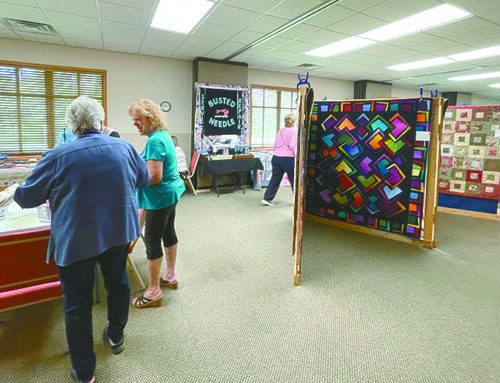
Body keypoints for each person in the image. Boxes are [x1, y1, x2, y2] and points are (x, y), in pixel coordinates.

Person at [14, 96, 149, 383]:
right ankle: (115, 335)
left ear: (71, 126)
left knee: (77, 305)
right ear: (101, 121)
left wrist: (16, 188)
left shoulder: (57, 155)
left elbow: (27, 198)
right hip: (117, 233)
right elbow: (144, 178)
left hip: (76, 240)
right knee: (118, 285)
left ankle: (85, 371)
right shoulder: (124, 147)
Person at [128, 99, 185, 309]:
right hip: (171, 193)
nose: (135, 124)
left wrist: (130, 180)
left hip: (159, 197)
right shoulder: (163, 135)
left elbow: (154, 176)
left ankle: (153, 291)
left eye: (138, 120)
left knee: (152, 240)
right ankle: (170, 276)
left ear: (150, 118)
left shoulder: (155, 140)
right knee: (168, 232)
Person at [261, 113, 297, 206]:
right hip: (288, 159)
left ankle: (267, 198)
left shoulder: (280, 131)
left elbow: (276, 144)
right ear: (293, 122)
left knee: (275, 179)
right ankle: (297, 201)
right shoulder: (293, 132)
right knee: (294, 180)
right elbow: (293, 145)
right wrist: (297, 154)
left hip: (276, 157)